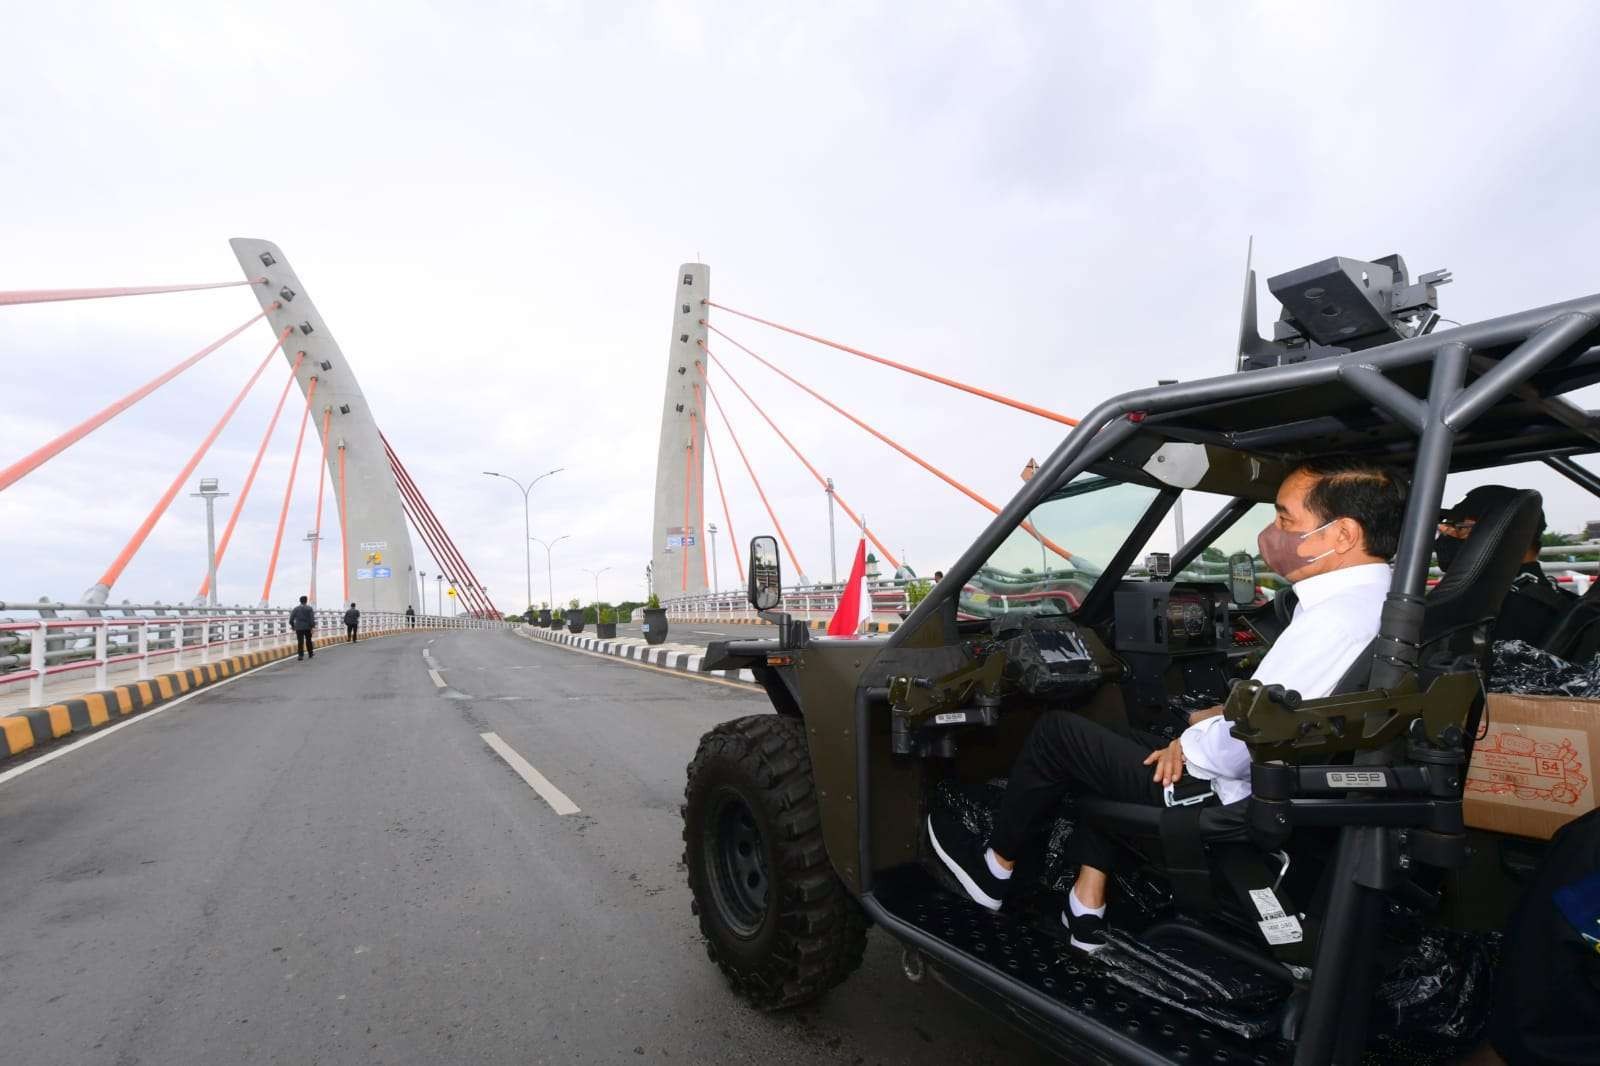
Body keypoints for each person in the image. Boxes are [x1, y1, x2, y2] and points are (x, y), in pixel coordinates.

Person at [928, 455, 1405, 952]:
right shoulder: (1382, 603)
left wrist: (1189, 740)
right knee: (1115, 745)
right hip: (1287, 789)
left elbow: (1234, 749)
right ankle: (1086, 906)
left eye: (1286, 518)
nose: (1273, 531)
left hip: (1227, 791)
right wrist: (1204, 724)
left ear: (1343, 534)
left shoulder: (1330, 621)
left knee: (1058, 734)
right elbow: (1290, 709)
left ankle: (993, 871)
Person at [1437, 485, 1575, 645]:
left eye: (1460, 529)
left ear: (1505, 534)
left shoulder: (1491, 613)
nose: (1446, 538)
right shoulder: (1558, 601)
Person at [290, 595, 316, 660]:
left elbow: (291, 619)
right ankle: (310, 654)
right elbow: (312, 619)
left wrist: (293, 626)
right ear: (306, 601)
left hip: (298, 627)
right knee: (308, 640)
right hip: (307, 627)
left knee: (300, 641)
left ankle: (300, 656)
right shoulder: (309, 608)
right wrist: (312, 626)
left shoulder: (296, 609)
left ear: (300, 601)